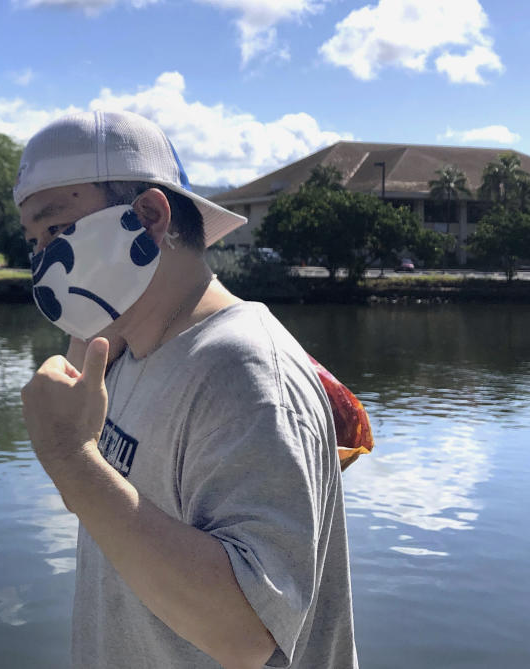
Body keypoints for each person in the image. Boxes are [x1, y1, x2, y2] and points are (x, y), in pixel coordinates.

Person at [18, 110, 357, 668]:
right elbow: (102, 507)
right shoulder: (123, 351)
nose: (43, 261)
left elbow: (248, 633)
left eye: (56, 230)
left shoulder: (243, 371)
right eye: (33, 241)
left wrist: (68, 457)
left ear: (149, 217)